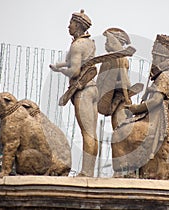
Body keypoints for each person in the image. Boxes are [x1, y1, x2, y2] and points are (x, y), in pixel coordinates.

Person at [112, 34, 169, 180]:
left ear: (161, 56)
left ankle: (127, 171)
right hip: (154, 116)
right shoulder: (165, 73)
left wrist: (135, 108)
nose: (153, 58)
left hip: (161, 121)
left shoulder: (166, 75)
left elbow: (155, 101)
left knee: (122, 131)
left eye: (155, 55)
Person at [49, 9, 98, 177]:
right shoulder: (90, 43)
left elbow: (75, 71)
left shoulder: (76, 45)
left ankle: (86, 172)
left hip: (83, 90)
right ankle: (89, 170)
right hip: (93, 88)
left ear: (77, 25)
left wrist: (62, 72)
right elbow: (77, 61)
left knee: (87, 133)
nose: (68, 26)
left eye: (71, 23)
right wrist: (60, 65)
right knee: (92, 132)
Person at [96, 28, 132, 129]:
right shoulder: (112, 58)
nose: (105, 43)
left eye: (108, 40)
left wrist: (113, 86)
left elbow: (127, 84)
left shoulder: (120, 59)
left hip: (119, 102)